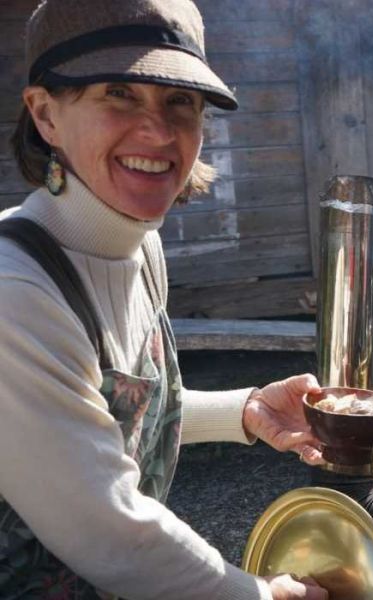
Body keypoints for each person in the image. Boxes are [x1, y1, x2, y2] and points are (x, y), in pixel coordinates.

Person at [0, 1, 330, 598]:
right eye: (119, 93)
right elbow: (109, 532)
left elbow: (99, 419)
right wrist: (257, 594)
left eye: (180, 100)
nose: (158, 131)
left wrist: (244, 410)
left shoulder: (142, 249)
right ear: (45, 114)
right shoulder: (15, 291)